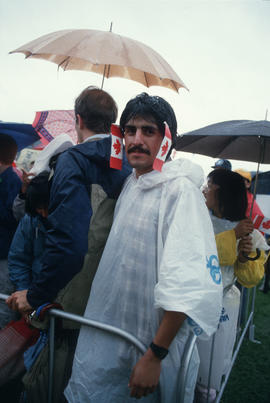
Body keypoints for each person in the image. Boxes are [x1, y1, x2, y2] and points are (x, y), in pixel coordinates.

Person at [65, 93, 223, 403]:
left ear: (167, 140)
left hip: (153, 351)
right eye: (130, 130)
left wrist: (155, 355)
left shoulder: (180, 193)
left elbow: (186, 284)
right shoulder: (132, 185)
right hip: (113, 339)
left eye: (148, 131)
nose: (136, 139)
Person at [7, 86, 131, 313]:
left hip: (67, 297)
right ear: (111, 122)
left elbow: (68, 242)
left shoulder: (72, 160)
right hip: (109, 298)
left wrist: (36, 295)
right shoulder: (129, 165)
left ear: (79, 120)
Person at [195, 169, 267, 402]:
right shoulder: (198, 219)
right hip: (193, 297)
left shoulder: (249, 233)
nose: (205, 189)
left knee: (209, 366)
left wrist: (244, 258)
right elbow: (198, 252)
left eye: (209, 184)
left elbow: (251, 279)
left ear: (221, 191)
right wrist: (231, 236)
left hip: (223, 303)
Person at [0, 134, 22, 328]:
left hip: (6, 253)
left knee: (3, 304)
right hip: (5, 251)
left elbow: (13, 216)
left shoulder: (12, 181)